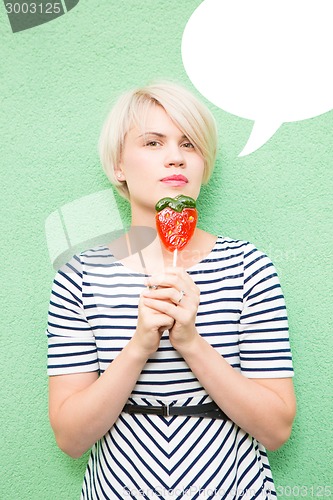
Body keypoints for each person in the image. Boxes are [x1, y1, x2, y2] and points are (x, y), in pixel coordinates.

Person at [46, 81, 296, 499]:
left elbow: (276, 429)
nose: (176, 157)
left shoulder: (249, 267)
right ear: (119, 166)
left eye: (190, 144)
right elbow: (70, 439)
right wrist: (140, 345)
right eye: (152, 142)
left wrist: (191, 342)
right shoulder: (79, 275)